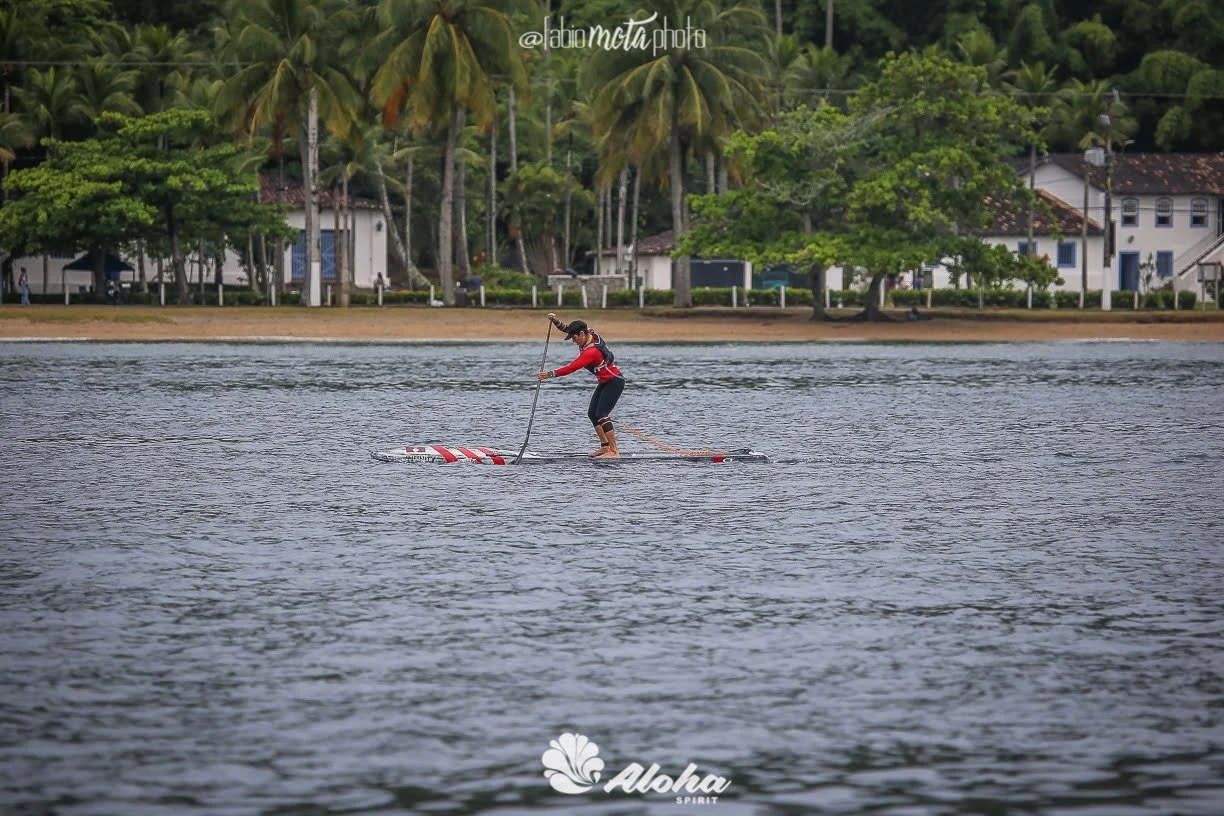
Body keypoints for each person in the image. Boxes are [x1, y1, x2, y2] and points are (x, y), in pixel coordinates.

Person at [537, 313, 625, 458]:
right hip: (604, 381)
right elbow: (568, 329)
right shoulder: (588, 333)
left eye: (574, 338)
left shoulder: (591, 352)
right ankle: (605, 447)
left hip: (614, 382)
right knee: (592, 414)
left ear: (582, 334)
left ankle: (614, 451)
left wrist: (549, 374)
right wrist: (555, 321)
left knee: (602, 415)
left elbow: (571, 368)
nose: (573, 340)